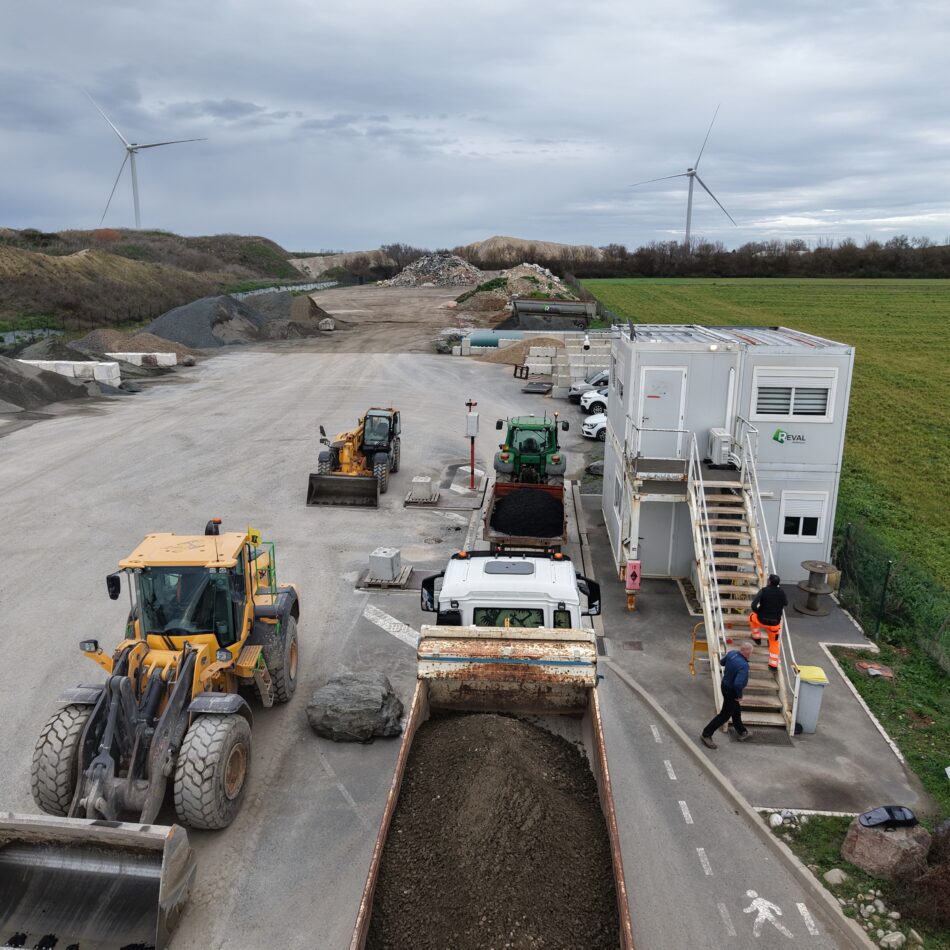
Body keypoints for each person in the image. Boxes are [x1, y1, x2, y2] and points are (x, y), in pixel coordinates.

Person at [701, 640, 754, 748]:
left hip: (724, 685)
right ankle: (706, 734)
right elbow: (738, 684)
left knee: (736, 711)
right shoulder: (744, 665)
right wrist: (739, 696)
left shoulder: (732, 653)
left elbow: (722, 662)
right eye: (751, 653)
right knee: (724, 715)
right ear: (748, 653)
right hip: (732, 691)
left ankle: (742, 731)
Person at [749, 574, 788, 670]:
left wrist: (758, 613)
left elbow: (754, 605)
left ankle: (756, 637)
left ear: (769, 582)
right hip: (774, 624)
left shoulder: (764, 591)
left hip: (762, 620)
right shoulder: (781, 592)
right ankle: (773, 665)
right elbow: (786, 603)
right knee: (774, 642)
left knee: (751, 617)